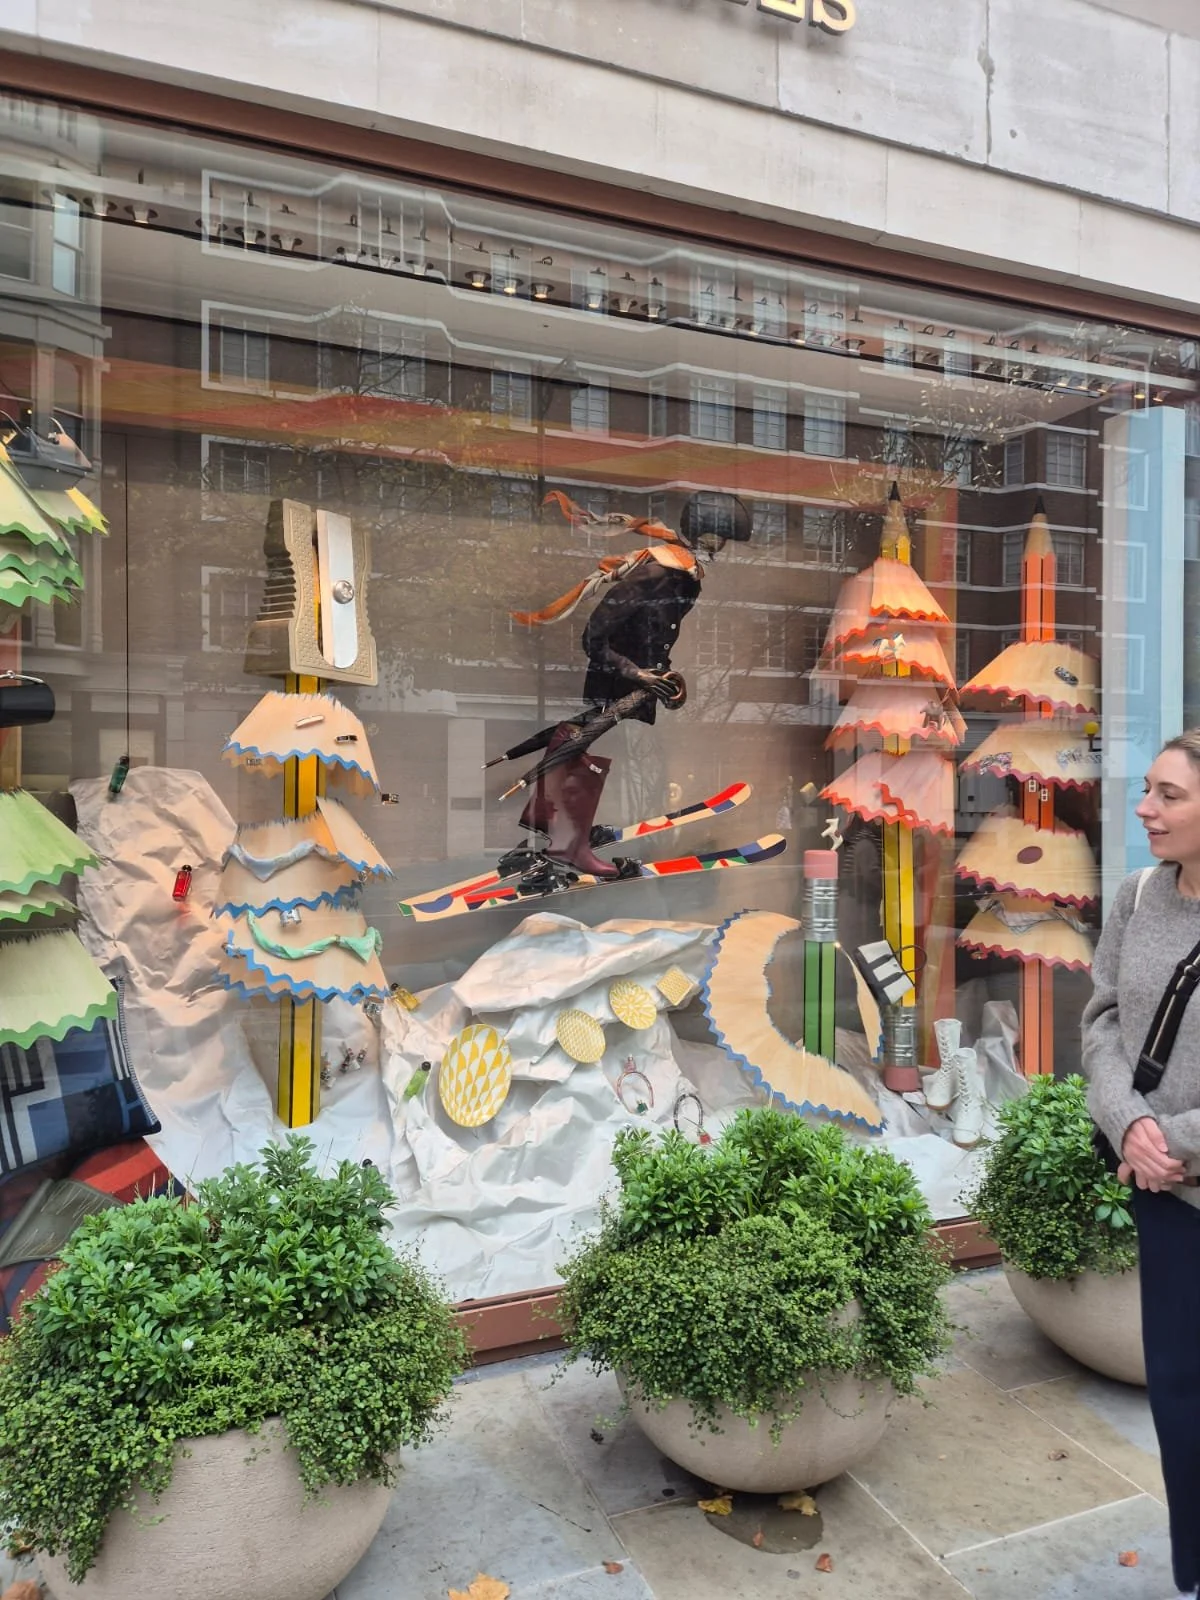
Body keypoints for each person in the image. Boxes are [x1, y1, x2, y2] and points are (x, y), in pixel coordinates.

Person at [1085, 730, 1200, 1600]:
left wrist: (1177, 1143)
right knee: (1179, 1397)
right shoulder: (1136, 897)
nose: (1144, 810)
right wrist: (1130, 1128)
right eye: (1149, 791)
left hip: (1177, 1168)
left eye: (1168, 796)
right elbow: (1103, 1019)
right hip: (1163, 1197)